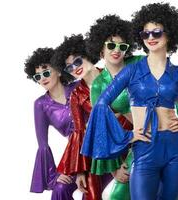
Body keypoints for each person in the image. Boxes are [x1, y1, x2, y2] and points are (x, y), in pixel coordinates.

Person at [81, 3, 178, 200]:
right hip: (144, 146)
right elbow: (101, 104)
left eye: (157, 32)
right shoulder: (132, 70)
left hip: (176, 148)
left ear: (169, 34)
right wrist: (127, 137)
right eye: (145, 34)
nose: (151, 38)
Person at [86, 14, 178, 200]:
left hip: (171, 137)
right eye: (111, 45)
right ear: (101, 49)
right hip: (141, 141)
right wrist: (114, 169)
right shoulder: (99, 86)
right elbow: (102, 127)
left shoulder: (139, 64)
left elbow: (174, 93)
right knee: (118, 196)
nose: (116, 50)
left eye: (122, 46)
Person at [52, 34, 115, 200]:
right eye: (69, 67)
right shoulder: (76, 95)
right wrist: (80, 171)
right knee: (88, 189)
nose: (74, 68)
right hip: (100, 150)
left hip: (128, 142)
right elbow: (79, 133)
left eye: (77, 61)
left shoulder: (113, 77)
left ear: (88, 55)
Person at [24, 47, 77, 199]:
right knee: (60, 189)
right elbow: (43, 145)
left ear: (59, 71)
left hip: (102, 147)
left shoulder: (79, 88)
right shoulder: (41, 105)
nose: (42, 78)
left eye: (46, 72)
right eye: (37, 76)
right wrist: (53, 175)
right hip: (76, 155)